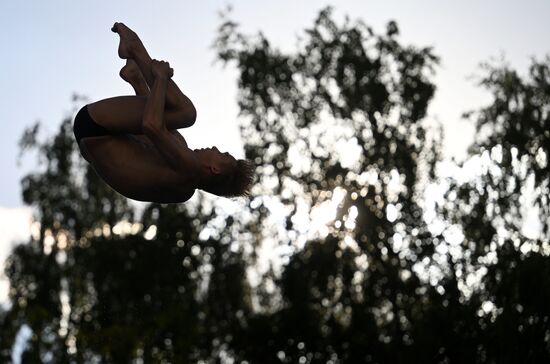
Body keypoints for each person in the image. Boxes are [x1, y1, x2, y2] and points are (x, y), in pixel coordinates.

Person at [73, 22, 254, 203]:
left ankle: (134, 48)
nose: (215, 148)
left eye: (222, 154)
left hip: (96, 126)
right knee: (173, 138)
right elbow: (153, 139)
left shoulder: (191, 167)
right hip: (94, 138)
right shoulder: (183, 190)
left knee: (186, 113)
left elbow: (151, 125)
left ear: (215, 169)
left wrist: (161, 77)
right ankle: (136, 78)